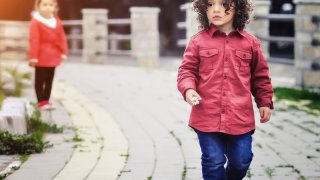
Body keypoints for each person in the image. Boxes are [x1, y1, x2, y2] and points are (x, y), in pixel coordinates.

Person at [177, 0, 274, 179]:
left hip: (240, 118)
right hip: (206, 116)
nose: (216, 9)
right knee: (213, 160)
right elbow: (187, 71)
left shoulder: (251, 43)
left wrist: (265, 102)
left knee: (242, 160)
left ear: (238, 8)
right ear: (203, 9)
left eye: (223, 4)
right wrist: (189, 89)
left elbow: (260, 77)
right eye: (210, 5)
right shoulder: (197, 41)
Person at [28, 0, 68, 110]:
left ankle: (46, 100)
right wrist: (33, 57)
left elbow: (62, 37)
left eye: (51, 5)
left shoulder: (57, 21)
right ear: (38, 6)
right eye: (44, 5)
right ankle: (40, 101)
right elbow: (34, 40)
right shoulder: (35, 22)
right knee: (40, 79)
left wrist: (64, 51)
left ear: (55, 7)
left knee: (49, 80)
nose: (48, 7)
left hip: (53, 55)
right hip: (40, 55)